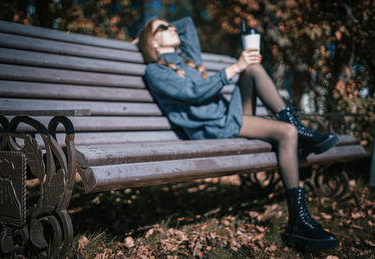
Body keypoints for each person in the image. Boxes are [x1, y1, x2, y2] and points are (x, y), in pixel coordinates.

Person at [136, 16, 340, 251]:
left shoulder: (188, 60)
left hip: (228, 117)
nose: (172, 28)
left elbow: (188, 23)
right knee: (287, 132)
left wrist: (159, 29)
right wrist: (234, 68)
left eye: (170, 25)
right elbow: (192, 92)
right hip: (211, 128)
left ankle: (300, 138)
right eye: (163, 27)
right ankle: (299, 220)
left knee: (253, 67)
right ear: (152, 42)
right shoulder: (155, 71)